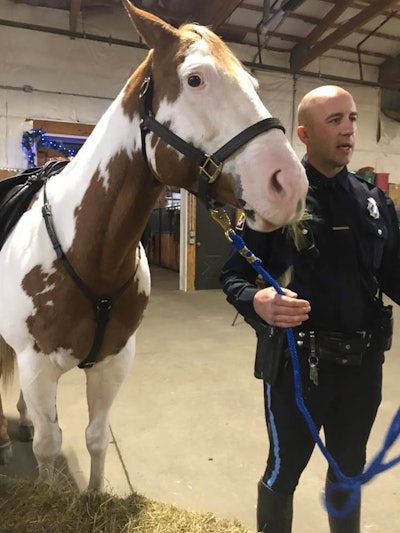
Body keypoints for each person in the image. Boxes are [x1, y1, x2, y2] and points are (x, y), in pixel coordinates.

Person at [220, 85, 400, 533]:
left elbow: (395, 275)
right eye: (334, 120)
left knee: (348, 471)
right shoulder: (277, 199)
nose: (349, 129)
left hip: (363, 368)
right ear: (304, 133)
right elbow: (233, 276)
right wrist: (256, 301)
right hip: (300, 369)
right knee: (284, 473)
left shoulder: (375, 202)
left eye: (353, 118)